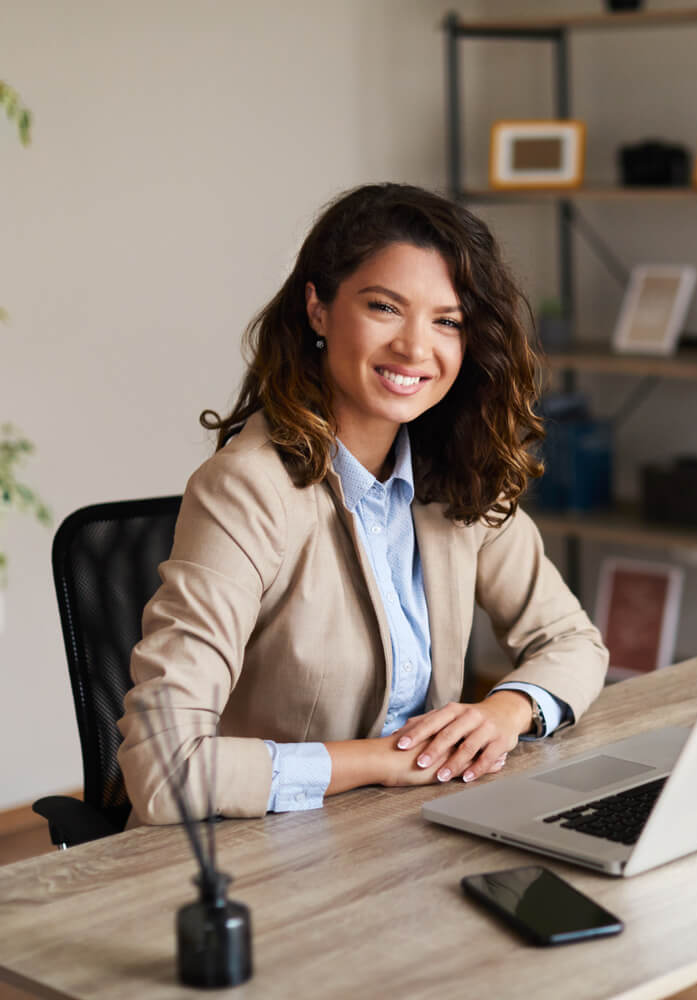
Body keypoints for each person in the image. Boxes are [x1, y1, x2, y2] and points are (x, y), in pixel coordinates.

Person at [117, 182, 609, 825]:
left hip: (413, 829)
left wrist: (506, 711)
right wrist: (384, 761)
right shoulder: (245, 490)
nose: (415, 347)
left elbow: (572, 640)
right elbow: (162, 770)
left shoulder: (457, 472)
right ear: (317, 308)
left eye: (447, 321)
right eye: (384, 307)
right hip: (263, 851)